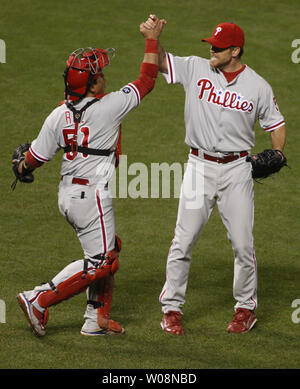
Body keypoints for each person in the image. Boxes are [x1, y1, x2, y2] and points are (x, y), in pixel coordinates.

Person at [16, 18, 166, 337]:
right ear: (93, 84)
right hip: (91, 197)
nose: (104, 78)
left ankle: (95, 320)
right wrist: (152, 39)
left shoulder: (58, 115)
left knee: (108, 249)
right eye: (100, 75)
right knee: (102, 262)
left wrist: (20, 169)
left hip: (68, 197)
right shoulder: (109, 107)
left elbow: (32, 160)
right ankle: (38, 300)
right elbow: (148, 78)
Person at [143, 15, 286, 335]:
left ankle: (245, 308)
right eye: (212, 45)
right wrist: (152, 37)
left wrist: (278, 152)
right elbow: (159, 64)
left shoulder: (258, 86)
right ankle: (171, 308)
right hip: (199, 166)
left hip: (238, 170)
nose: (212, 50)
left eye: (219, 47)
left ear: (235, 51)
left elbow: (276, 124)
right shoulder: (195, 67)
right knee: (183, 240)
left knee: (242, 242)